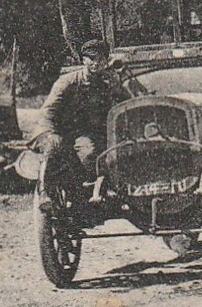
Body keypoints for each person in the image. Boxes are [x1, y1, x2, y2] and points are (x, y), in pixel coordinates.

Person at [32, 39, 134, 207]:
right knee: (52, 149)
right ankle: (45, 193)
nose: (96, 63)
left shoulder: (108, 82)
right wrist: (49, 133)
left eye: (100, 59)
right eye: (91, 58)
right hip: (62, 131)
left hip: (89, 134)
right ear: (83, 60)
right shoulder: (68, 82)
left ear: (106, 61)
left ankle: (102, 188)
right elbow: (48, 110)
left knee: (92, 153)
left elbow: (124, 103)